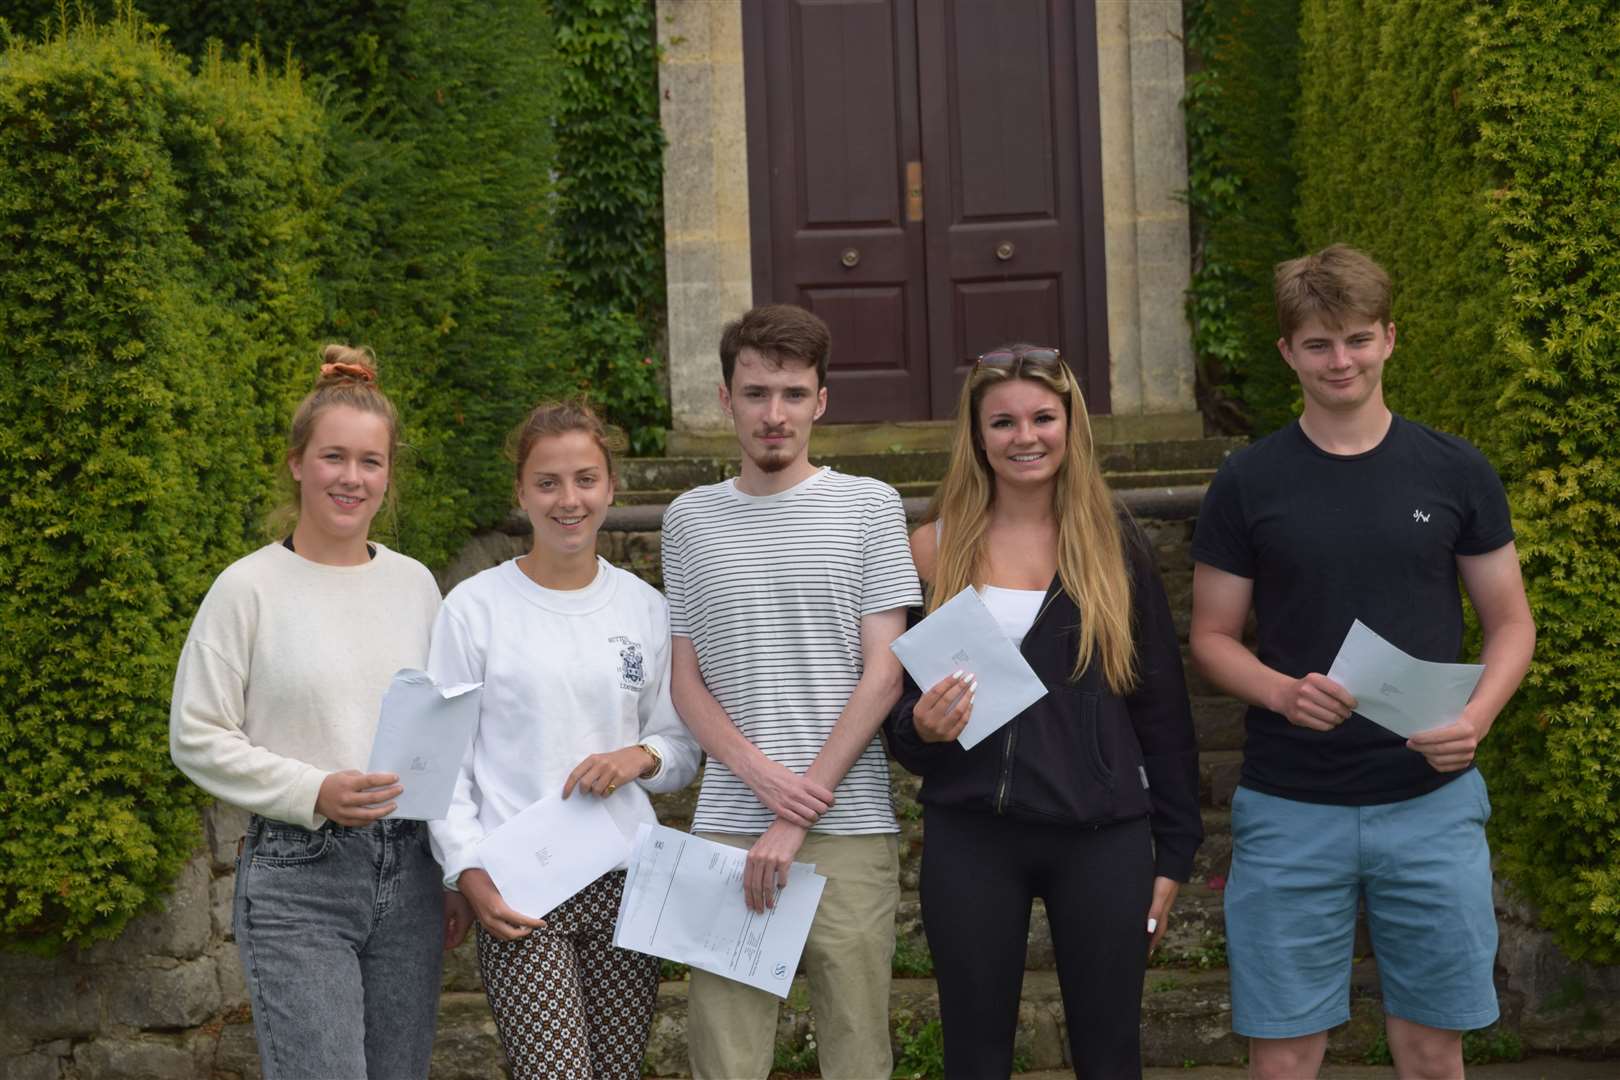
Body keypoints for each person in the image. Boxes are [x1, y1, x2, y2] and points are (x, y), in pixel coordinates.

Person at [1189, 245, 1536, 1079]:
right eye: (1317, 344)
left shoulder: (1456, 469)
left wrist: (1474, 721)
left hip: (1431, 802)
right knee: (1283, 1058)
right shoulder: (1247, 481)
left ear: (1388, 338)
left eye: (1355, 339)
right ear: (1287, 354)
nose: (1339, 360)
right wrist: (1278, 691)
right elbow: (1210, 636)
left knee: (1429, 1053)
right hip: (1289, 806)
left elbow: (1512, 623)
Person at [884, 343, 1203, 1077]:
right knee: (974, 1055)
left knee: (1111, 1053)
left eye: (1042, 417)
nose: (1024, 436)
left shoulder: (1116, 547)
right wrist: (922, 731)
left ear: (1071, 425)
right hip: (972, 838)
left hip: (1103, 839)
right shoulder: (931, 550)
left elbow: (1162, 709)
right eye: (1002, 422)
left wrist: (1176, 850)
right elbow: (900, 721)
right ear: (976, 434)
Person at [170, 347, 458, 1079]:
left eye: (371, 461)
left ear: (389, 475)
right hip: (301, 876)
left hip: (413, 872)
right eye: (334, 457)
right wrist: (313, 790)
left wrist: (453, 869)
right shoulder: (248, 589)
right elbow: (196, 736)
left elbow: (441, 734)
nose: (352, 478)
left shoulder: (416, 586)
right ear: (299, 462)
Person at [660, 304, 922, 1079]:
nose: (774, 415)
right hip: (727, 830)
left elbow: (886, 672)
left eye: (793, 394)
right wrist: (762, 780)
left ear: (822, 401)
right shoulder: (688, 520)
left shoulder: (870, 506)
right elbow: (686, 678)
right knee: (726, 1061)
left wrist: (799, 803)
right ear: (725, 399)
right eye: (756, 393)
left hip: (849, 824)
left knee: (856, 1054)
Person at [425, 400, 701, 1080]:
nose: (568, 499)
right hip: (522, 891)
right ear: (520, 492)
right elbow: (441, 764)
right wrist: (467, 870)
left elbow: (682, 745)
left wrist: (640, 756)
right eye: (547, 482)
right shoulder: (474, 609)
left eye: (585, 479)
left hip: (625, 882)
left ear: (610, 488)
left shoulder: (644, 607)